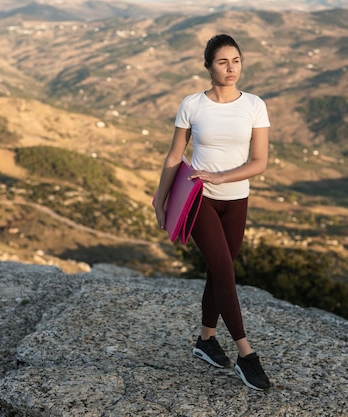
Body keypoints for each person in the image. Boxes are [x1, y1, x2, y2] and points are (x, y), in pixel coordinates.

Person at [153, 34, 271, 390]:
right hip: (199, 198)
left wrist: (221, 175)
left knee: (219, 271)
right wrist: (159, 200)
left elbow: (260, 162)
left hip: (237, 200)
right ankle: (246, 356)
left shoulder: (254, 105)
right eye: (223, 62)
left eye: (236, 60)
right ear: (208, 66)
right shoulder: (192, 104)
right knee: (224, 270)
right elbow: (175, 156)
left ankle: (206, 340)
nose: (231, 67)